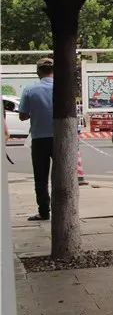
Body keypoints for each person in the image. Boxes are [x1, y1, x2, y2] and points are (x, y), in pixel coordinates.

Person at [20, 58, 55, 221]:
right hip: (60, 139)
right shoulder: (61, 88)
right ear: (53, 71)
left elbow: (22, 116)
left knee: (40, 178)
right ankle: (62, 208)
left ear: (38, 71)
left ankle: (44, 211)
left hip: (39, 139)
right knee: (61, 175)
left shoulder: (30, 90)